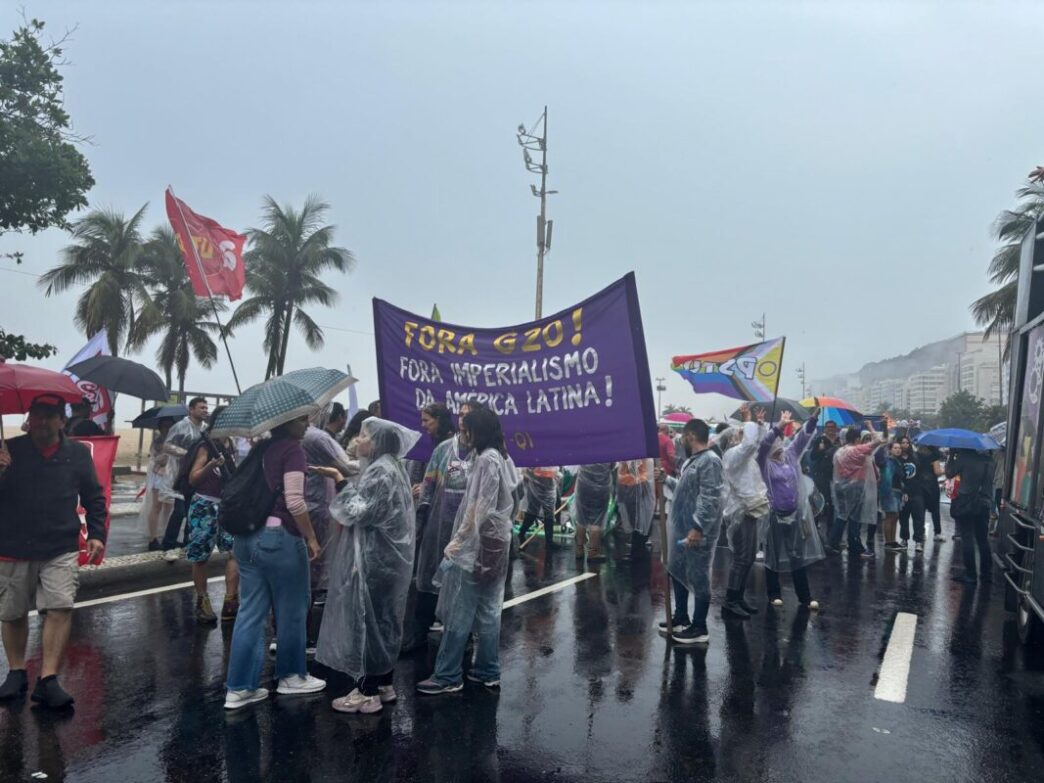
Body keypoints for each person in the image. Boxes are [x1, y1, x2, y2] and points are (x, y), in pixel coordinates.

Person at [0, 394, 106, 708]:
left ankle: (48, 678)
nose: (41, 422)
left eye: (48, 416)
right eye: (36, 415)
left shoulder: (77, 454)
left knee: (60, 607)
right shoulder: (10, 450)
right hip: (13, 545)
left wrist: (97, 533)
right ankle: (17, 673)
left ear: (62, 420)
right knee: (12, 613)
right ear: (29, 419)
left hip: (60, 545)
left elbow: (93, 496)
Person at [315, 418, 420, 713]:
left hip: (377, 561)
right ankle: (384, 683)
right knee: (384, 622)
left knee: (369, 623)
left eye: (363, 435)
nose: (358, 439)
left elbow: (358, 511)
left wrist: (338, 480)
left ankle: (366, 692)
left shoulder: (380, 471)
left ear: (376, 442)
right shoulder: (392, 465)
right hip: (389, 561)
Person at [417, 407, 520, 694]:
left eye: (467, 430)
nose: (463, 435)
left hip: (479, 544)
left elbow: (479, 506)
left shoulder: (487, 460)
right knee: (487, 610)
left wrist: (458, 542)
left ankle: (448, 675)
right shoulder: (494, 456)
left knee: (460, 610)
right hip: (493, 543)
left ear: (478, 431)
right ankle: (487, 670)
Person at [224, 414, 324, 710]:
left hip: (246, 538)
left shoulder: (260, 449)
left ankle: (240, 688)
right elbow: (294, 501)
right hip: (278, 538)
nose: (307, 424)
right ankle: (292, 676)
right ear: (286, 422)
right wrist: (311, 538)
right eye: (302, 420)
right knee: (292, 608)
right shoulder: (293, 451)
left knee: (251, 612)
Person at [410, 401, 477, 649]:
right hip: (438, 529)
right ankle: (419, 633)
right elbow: (428, 487)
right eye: (460, 415)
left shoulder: (484, 453)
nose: (463, 420)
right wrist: (421, 522)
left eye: (468, 415)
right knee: (429, 579)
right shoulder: (443, 450)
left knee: (461, 583)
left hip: (467, 533)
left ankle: (462, 635)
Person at [660, 418, 723, 645]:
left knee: (698, 576)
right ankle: (681, 617)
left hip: (697, 532)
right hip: (683, 529)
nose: (681, 443)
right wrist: (665, 479)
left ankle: (699, 626)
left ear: (691, 436)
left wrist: (698, 527)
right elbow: (684, 492)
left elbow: (711, 498)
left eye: (683, 438)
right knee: (677, 570)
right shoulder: (693, 462)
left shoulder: (710, 461)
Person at [757, 410, 824, 610]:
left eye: (781, 441)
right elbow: (763, 446)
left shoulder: (791, 457)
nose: (780, 445)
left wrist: (812, 420)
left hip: (794, 515)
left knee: (797, 556)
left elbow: (802, 439)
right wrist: (778, 426)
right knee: (773, 556)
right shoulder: (764, 463)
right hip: (773, 516)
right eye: (776, 441)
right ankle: (774, 594)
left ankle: (805, 597)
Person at [185, 407, 240, 623]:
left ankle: (230, 600)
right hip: (204, 506)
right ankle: (203, 601)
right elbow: (193, 479)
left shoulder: (230, 445)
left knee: (234, 552)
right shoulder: (205, 446)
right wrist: (210, 465)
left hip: (225, 505)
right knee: (201, 556)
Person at [719, 404, 770, 621]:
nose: (741, 435)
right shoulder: (732, 455)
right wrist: (747, 419)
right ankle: (730, 601)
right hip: (739, 512)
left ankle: (738, 598)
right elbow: (749, 445)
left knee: (748, 557)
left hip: (749, 510)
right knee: (741, 558)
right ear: (730, 440)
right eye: (738, 433)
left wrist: (759, 426)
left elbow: (758, 444)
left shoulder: (744, 457)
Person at [161, 397, 209, 561]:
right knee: (180, 511)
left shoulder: (206, 429)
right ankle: (168, 544)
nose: (205, 410)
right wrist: (187, 454)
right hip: (179, 475)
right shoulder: (180, 426)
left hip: (196, 475)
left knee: (192, 510)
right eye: (201, 407)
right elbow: (167, 446)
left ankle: (188, 542)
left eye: (206, 408)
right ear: (191, 409)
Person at [827, 422, 884, 556]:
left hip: (840, 486)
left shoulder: (840, 451)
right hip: (856, 485)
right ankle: (854, 545)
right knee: (855, 516)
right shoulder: (858, 450)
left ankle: (832, 542)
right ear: (857, 439)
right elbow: (879, 441)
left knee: (842, 515)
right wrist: (869, 426)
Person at [945, 448, 995, 585]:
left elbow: (949, 473)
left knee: (967, 537)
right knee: (982, 540)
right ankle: (986, 575)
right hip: (985, 502)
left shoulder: (964, 458)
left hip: (967, 501)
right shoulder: (990, 461)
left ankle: (971, 574)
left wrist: (951, 456)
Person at [140, 417, 177, 551]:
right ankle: (153, 538)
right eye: (164, 426)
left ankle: (166, 534)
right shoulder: (158, 441)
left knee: (169, 507)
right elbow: (159, 459)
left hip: (171, 476)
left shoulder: (174, 439)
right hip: (159, 476)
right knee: (157, 506)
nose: (167, 429)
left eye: (169, 426)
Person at [614, 458, 655, 559]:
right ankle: (637, 552)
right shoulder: (642, 454)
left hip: (632, 486)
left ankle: (591, 551)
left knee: (637, 520)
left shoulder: (632, 454)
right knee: (638, 521)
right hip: (635, 486)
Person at [572, 463, 614, 562]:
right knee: (596, 521)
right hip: (601, 487)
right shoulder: (609, 448)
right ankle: (592, 552)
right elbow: (612, 465)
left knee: (581, 518)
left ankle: (579, 550)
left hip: (583, 485)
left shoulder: (583, 447)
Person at [809, 419, 840, 536]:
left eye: (832, 427)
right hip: (821, 477)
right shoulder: (820, 440)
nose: (830, 429)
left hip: (836, 477)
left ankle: (831, 532)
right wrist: (820, 450)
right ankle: (814, 530)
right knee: (820, 503)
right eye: (828, 427)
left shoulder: (839, 441)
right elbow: (813, 457)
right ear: (825, 428)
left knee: (833, 505)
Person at [519, 465, 560, 551]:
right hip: (541, 482)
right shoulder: (539, 454)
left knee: (540, 511)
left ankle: (548, 541)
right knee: (539, 511)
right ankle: (548, 542)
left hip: (543, 483)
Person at [915, 444, 945, 543]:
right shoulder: (934, 455)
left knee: (920, 511)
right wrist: (944, 471)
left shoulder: (916, 455)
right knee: (935, 510)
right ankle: (937, 533)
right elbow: (937, 472)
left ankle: (921, 533)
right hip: (931, 486)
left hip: (919, 485)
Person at [879, 440, 905, 550]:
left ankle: (893, 540)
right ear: (890, 450)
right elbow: (887, 478)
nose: (898, 450)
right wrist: (886, 493)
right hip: (890, 492)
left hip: (898, 492)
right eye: (895, 448)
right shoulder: (889, 461)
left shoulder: (898, 461)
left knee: (895, 517)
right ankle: (888, 542)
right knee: (890, 516)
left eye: (899, 448)